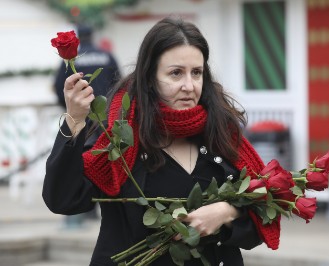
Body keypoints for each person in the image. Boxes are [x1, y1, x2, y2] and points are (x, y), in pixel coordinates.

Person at [43, 17, 280, 266]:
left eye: (196, 73)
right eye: (176, 73)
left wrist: (227, 212)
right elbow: (63, 199)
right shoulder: (121, 142)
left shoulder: (221, 135)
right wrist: (74, 121)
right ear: (149, 78)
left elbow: (265, 208)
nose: (189, 86)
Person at [53, 24, 121, 108]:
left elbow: (59, 87)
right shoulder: (107, 56)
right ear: (92, 36)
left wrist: (71, 109)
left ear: (78, 37)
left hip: (81, 112)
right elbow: (119, 82)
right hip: (107, 110)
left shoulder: (71, 59)